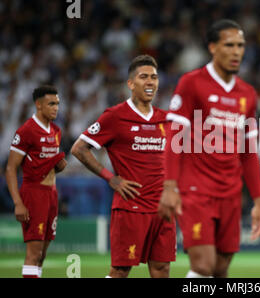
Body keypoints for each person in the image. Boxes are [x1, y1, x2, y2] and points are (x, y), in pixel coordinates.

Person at [158, 19, 260, 278]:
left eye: (240, 45)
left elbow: (248, 151)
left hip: (230, 192)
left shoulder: (248, 94)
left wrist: (259, 201)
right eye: (229, 45)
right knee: (203, 266)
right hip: (195, 189)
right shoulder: (192, 82)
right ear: (213, 47)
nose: (236, 51)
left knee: (219, 270)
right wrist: (169, 186)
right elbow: (174, 135)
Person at [71, 55, 176, 278]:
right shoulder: (115, 116)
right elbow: (79, 149)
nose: (150, 82)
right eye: (144, 77)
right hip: (131, 205)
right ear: (130, 83)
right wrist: (111, 178)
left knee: (162, 269)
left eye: (154, 78)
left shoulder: (165, 119)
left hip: (162, 208)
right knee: (120, 270)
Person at [5, 85, 67, 278]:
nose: (56, 108)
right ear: (38, 105)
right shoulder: (26, 131)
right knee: (33, 253)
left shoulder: (56, 130)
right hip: (33, 193)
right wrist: (18, 203)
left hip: (51, 194)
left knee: (42, 254)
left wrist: (59, 165)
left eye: (57, 103)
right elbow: (10, 168)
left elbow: (46, 162)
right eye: (51, 104)